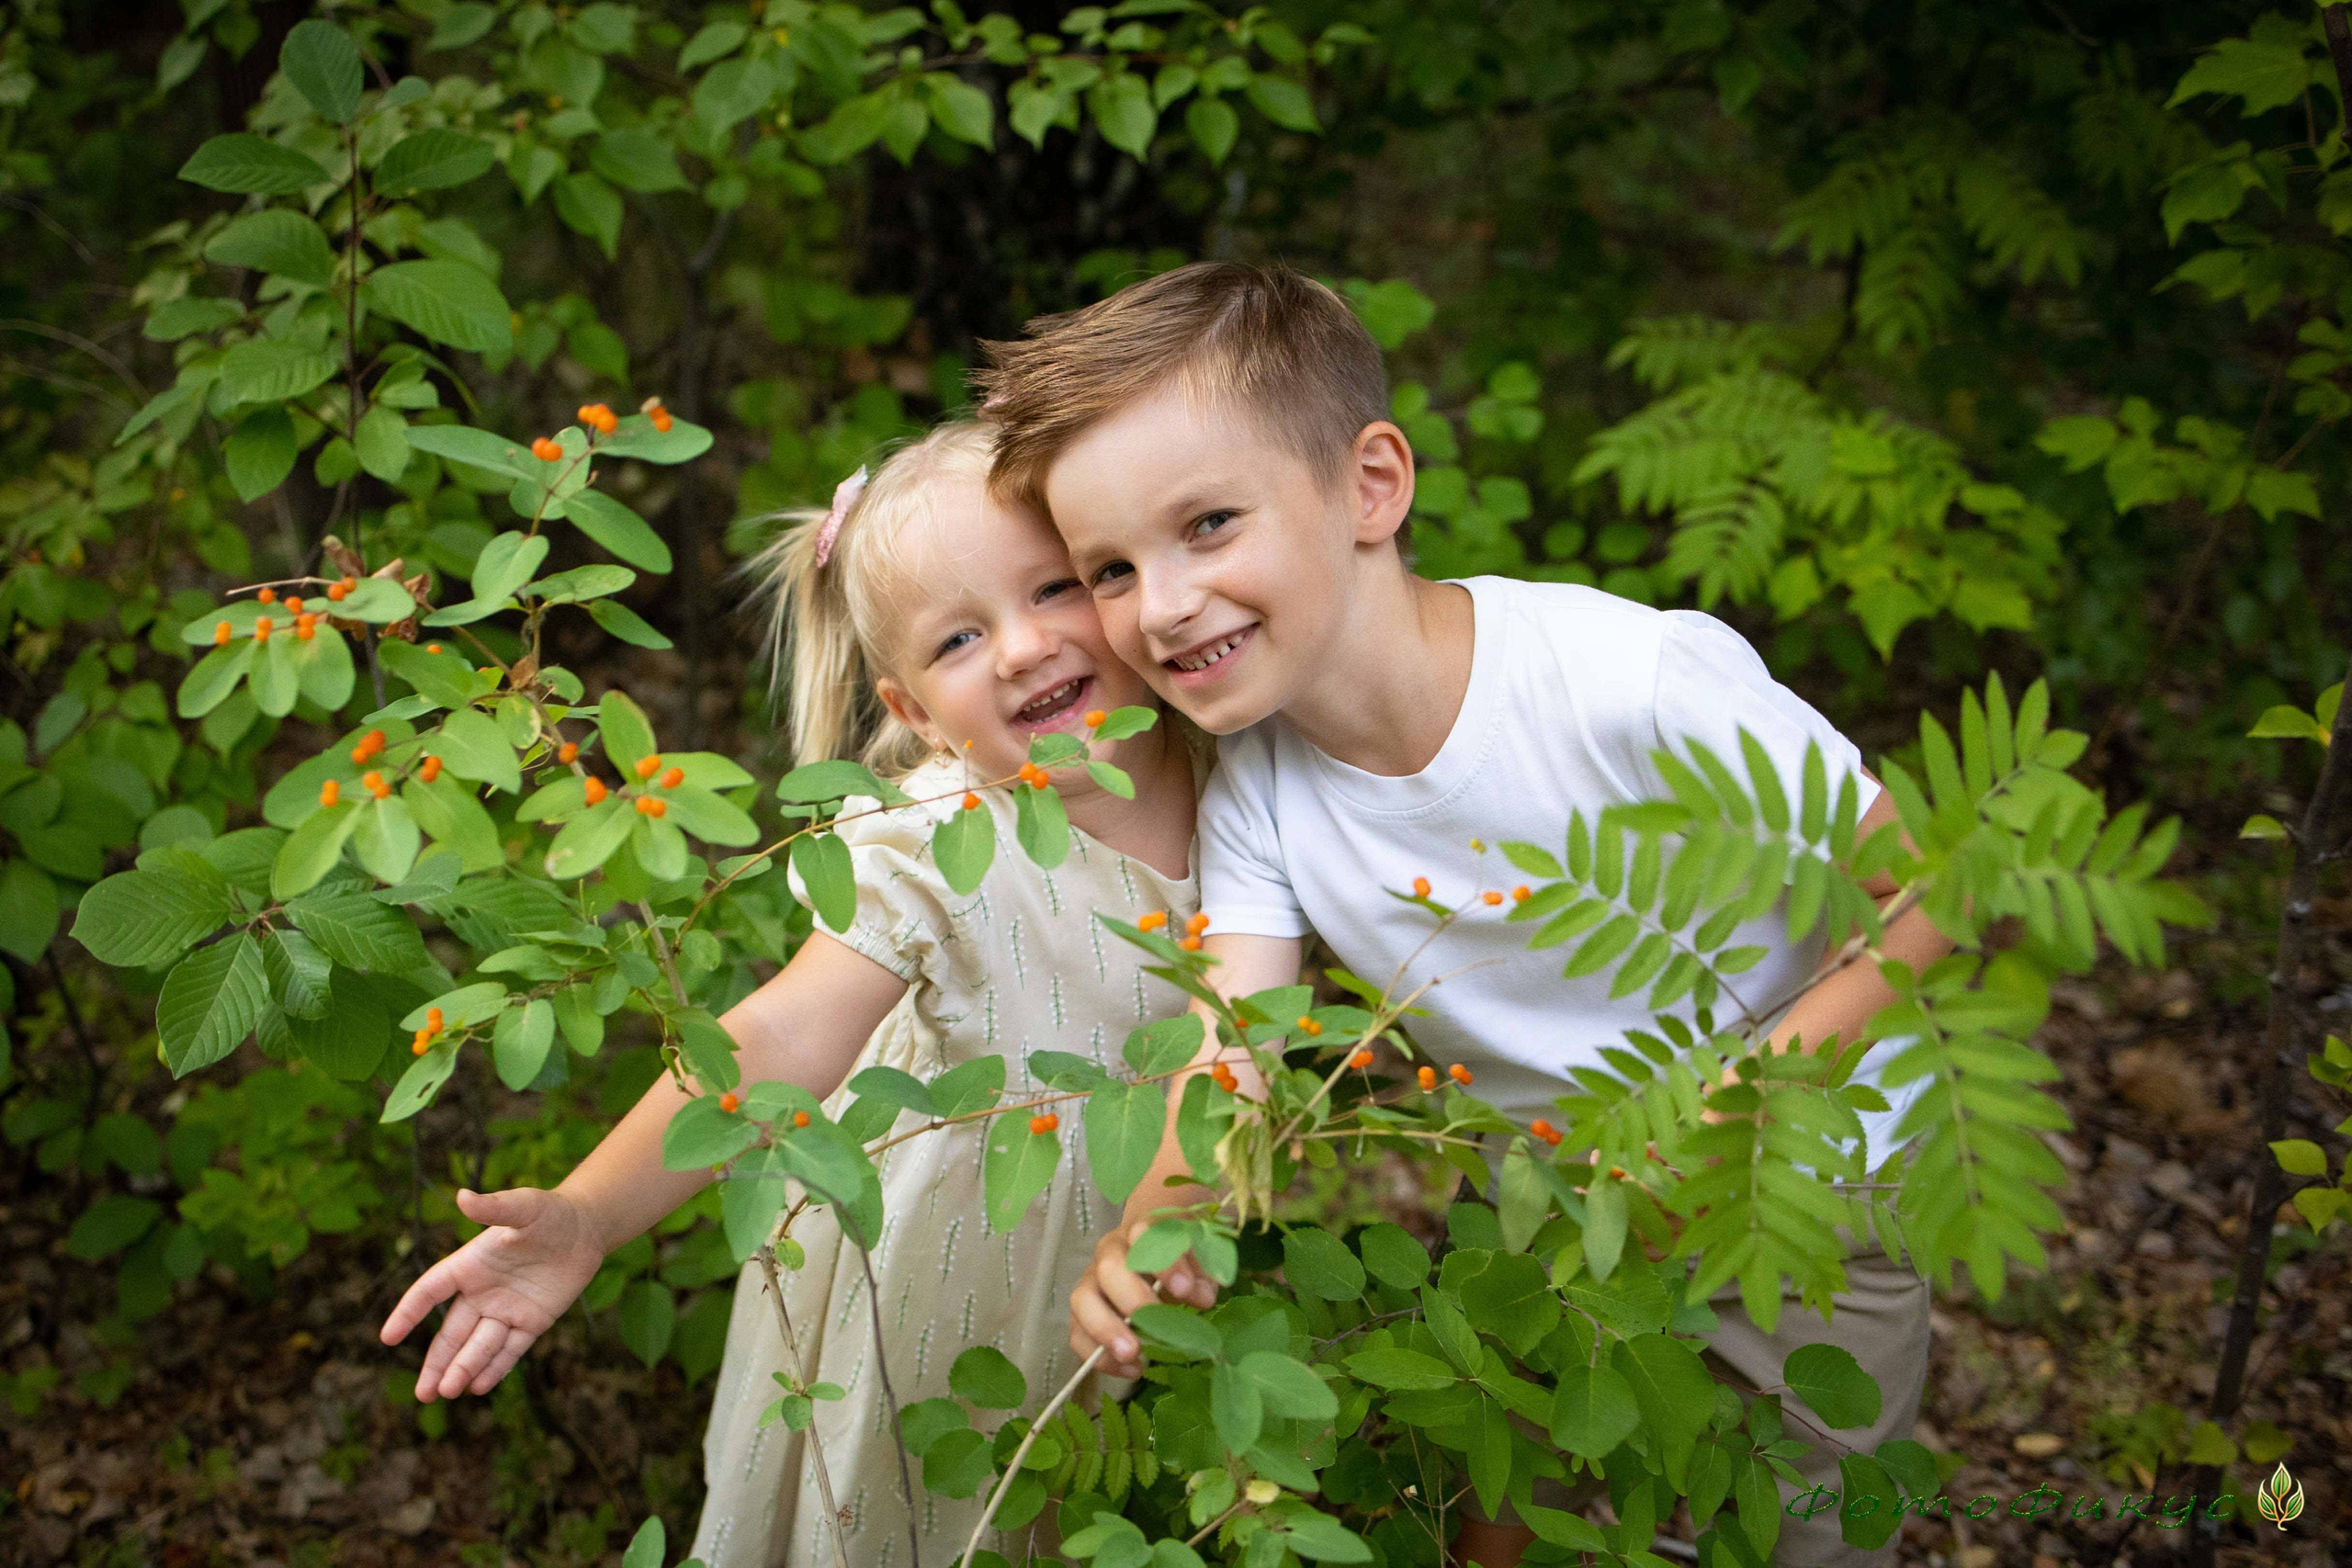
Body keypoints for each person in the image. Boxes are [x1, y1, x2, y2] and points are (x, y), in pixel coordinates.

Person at [976, 263, 1955, 1568]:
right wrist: (1165, 1211)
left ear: (1372, 485)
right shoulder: (1259, 791)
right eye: (1109, 566)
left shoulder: (1623, 683)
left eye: (1208, 523)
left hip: (1804, 1176)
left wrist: (1727, 1119)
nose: (1157, 605)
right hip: (1545, 1190)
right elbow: (1237, 1052)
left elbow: (1933, 887)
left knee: (1792, 1532)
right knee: (1494, 1518)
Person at [378, 421, 1203, 1566]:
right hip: (935, 1283)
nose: (1020, 647)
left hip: (1155, 1244)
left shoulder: (1240, 771)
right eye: (959, 638)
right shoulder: (935, 841)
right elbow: (778, 1033)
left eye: (1054, 587)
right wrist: (586, 1218)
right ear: (911, 712)